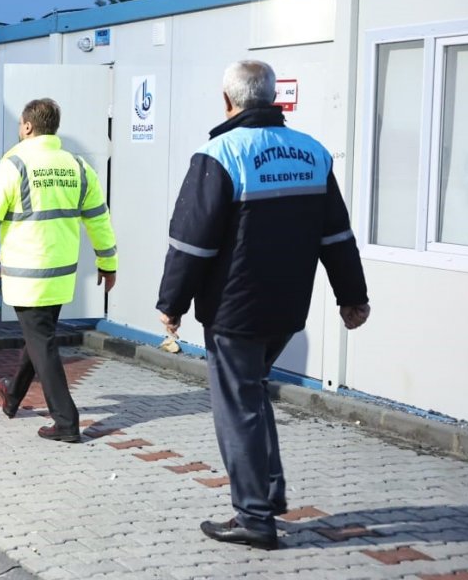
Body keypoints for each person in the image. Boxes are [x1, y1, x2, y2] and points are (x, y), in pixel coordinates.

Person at [156, 60, 370, 550]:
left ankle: (254, 517)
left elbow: (191, 242)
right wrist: (352, 297)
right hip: (287, 309)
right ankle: (269, 496)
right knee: (252, 395)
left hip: (235, 311)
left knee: (238, 408)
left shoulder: (221, 153)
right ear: (272, 98)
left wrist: (172, 304)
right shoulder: (313, 153)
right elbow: (336, 235)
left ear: (227, 101)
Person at [0, 99, 117, 442]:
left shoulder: (15, 165)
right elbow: (99, 220)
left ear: (28, 126)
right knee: (38, 336)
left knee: (42, 341)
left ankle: (66, 422)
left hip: (27, 275)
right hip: (60, 275)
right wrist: (108, 262)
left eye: (20, 124)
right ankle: (12, 395)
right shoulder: (76, 166)